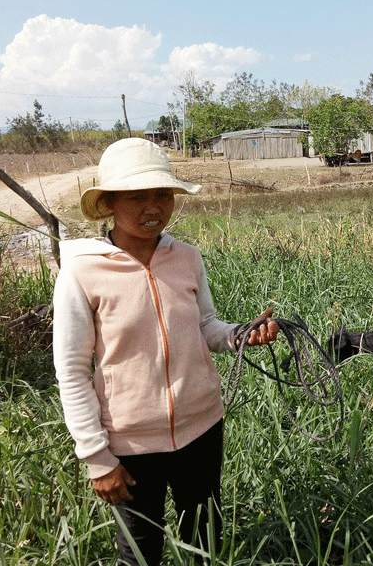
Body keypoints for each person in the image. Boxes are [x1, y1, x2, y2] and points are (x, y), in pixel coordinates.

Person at [52, 137, 278, 565]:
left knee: (205, 543)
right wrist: (98, 458)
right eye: (136, 197)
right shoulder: (82, 271)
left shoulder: (187, 258)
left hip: (202, 428)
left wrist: (242, 335)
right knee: (140, 555)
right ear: (110, 203)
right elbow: (72, 370)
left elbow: (206, 326)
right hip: (132, 446)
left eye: (162, 194)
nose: (152, 208)